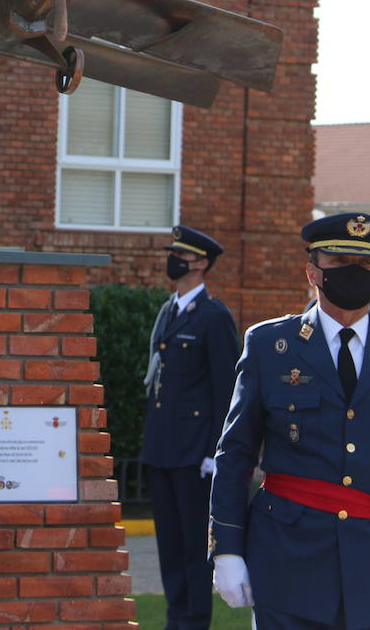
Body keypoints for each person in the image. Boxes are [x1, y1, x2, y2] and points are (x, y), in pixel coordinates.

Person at [209, 211, 370, 630]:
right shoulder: (270, 346)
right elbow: (235, 453)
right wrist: (227, 549)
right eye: (341, 263)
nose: (355, 273)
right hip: (287, 561)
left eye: (365, 265)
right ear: (313, 271)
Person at [141, 225, 240, 630]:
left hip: (194, 453)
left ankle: (194, 621)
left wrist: (215, 453)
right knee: (169, 546)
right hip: (163, 447)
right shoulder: (170, 309)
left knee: (194, 547)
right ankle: (174, 618)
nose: (173, 260)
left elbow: (226, 390)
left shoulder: (213, 317)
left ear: (200, 263)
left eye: (181, 255)